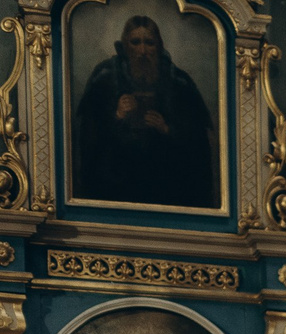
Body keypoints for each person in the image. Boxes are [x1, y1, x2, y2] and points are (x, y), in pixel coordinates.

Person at [72, 13, 217, 208]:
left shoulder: (179, 83)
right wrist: (117, 116)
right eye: (135, 42)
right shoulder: (105, 77)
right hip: (114, 190)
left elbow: (198, 143)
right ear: (125, 45)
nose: (142, 51)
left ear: (159, 46)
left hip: (166, 189)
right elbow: (87, 136)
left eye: (149, 43)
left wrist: (167, 129)